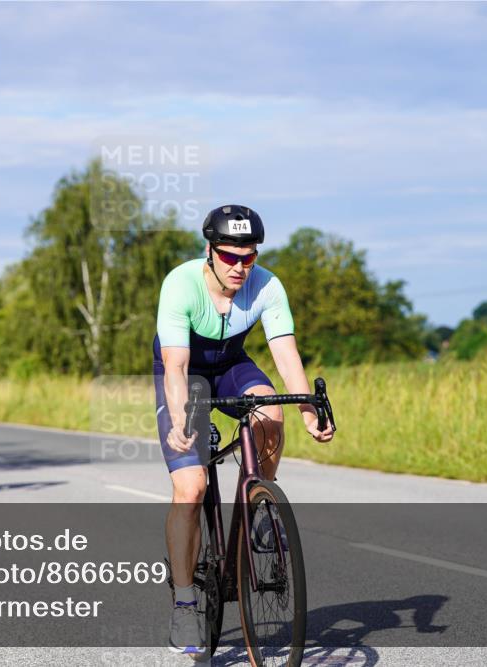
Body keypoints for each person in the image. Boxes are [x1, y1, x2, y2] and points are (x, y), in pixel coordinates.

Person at [154, 204, 334, 654]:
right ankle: (184, 603)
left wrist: (307, 411)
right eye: (230, 256)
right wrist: (179, 420)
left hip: (233, 364)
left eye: (248, 256)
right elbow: (176, 366)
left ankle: (259, 506)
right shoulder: (180, 284)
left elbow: (285, 353)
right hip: (186, 374)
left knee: (270, 413)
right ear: (209, 251)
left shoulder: (267, 285)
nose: (239, 266)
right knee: (191, 487)